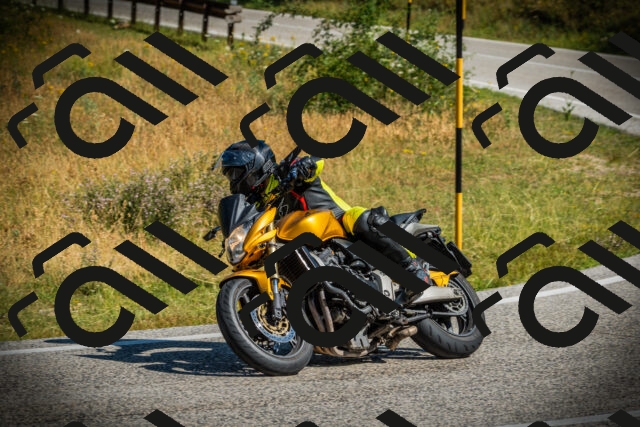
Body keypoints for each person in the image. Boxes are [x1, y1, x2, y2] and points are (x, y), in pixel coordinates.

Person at [213, 140, 434, 303]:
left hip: (336, 224)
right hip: (304, 247)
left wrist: (304, 166)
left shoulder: (284, 173)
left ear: (256, 166)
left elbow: (316, 162)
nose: (233, 180)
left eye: (235, 174)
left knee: (362, 218)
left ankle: (412, 269)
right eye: (229, 175)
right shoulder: (258, 204)